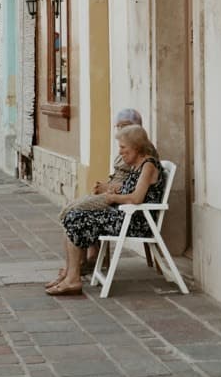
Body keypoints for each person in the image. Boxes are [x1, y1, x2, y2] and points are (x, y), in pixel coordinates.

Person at [46, 124, 164, 296]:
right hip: (124, 217)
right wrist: (113, 189)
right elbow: (131, 189)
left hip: (136, 222)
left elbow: (137, 198)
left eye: (123, 148)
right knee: (72, 216)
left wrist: (114, 198)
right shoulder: (138, 165)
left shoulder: (148, 166)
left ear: (137, 147)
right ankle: (71, 274)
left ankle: (72, 277)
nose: (120, 152)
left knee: (75, 218)